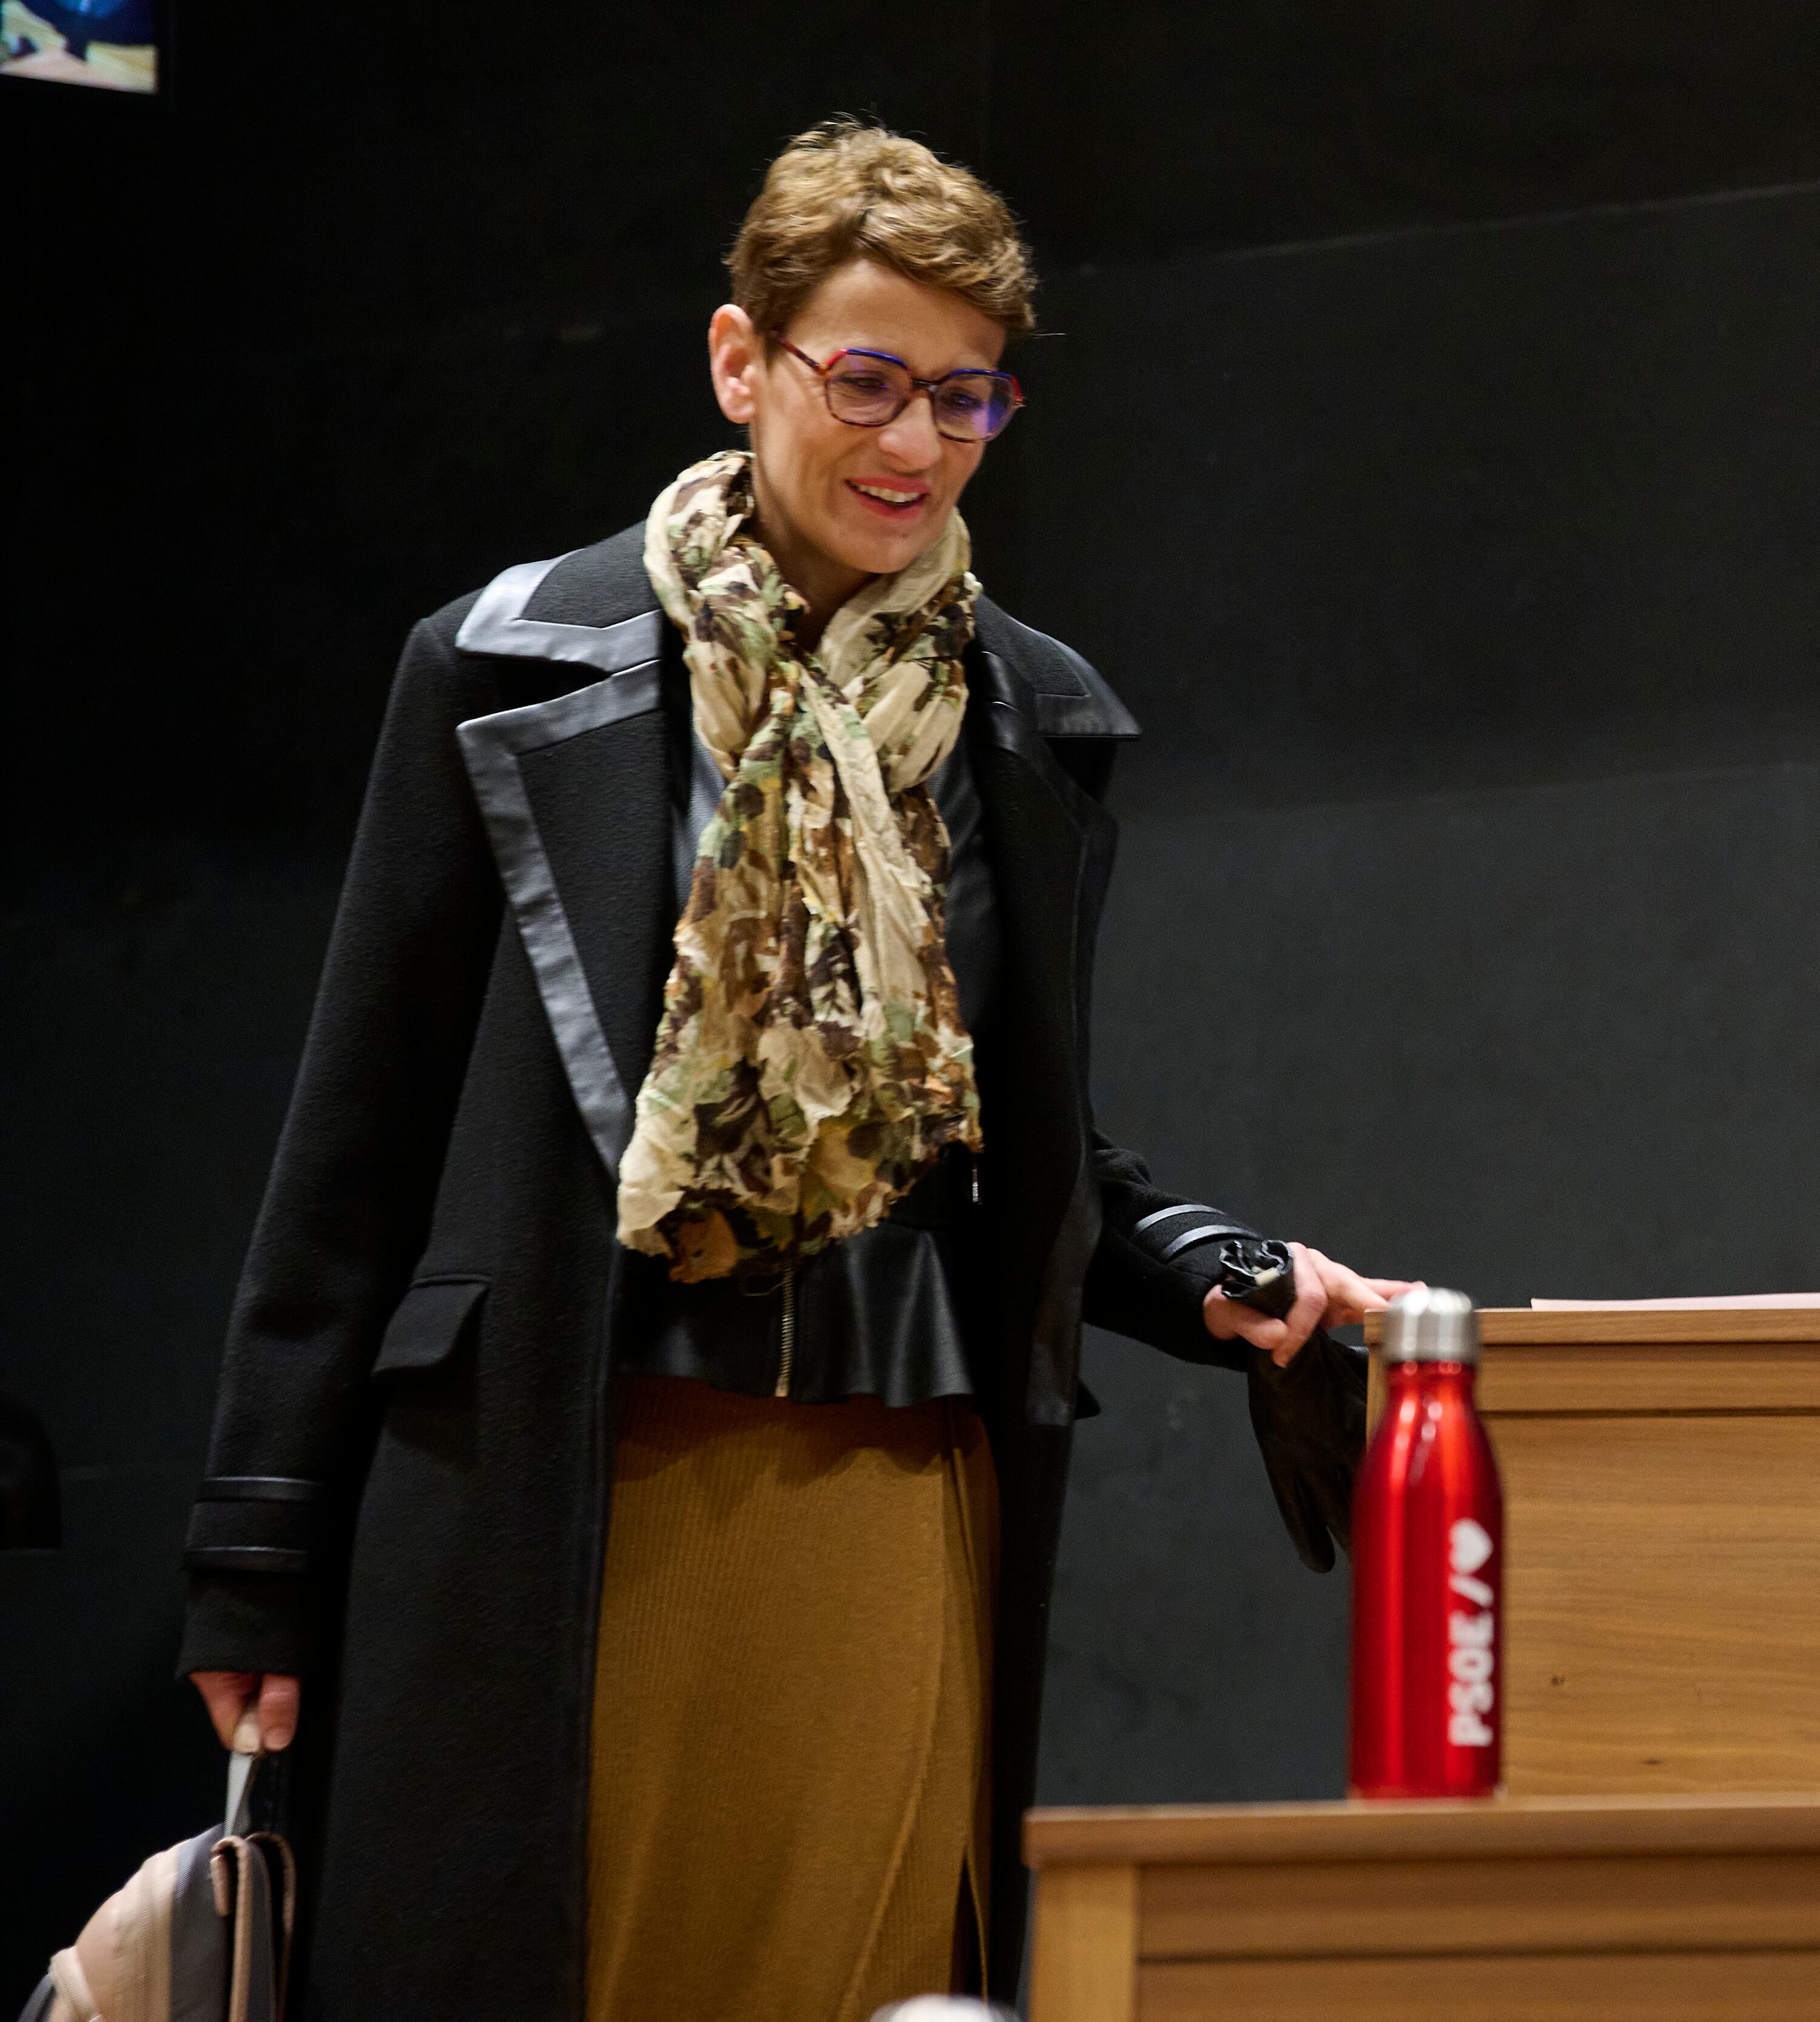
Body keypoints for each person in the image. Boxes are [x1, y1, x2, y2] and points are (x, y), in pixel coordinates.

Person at [173, 118, 1409, 2021]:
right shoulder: (501, 666)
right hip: (558, 1487)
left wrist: (1213, 1268)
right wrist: (256, 1555)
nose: (917, 443)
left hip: (885, 1497)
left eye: (969, 397)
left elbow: (1022, 1142)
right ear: (743, 362)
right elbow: (359, 1136)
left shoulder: (1028, 714)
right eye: (869, 381)